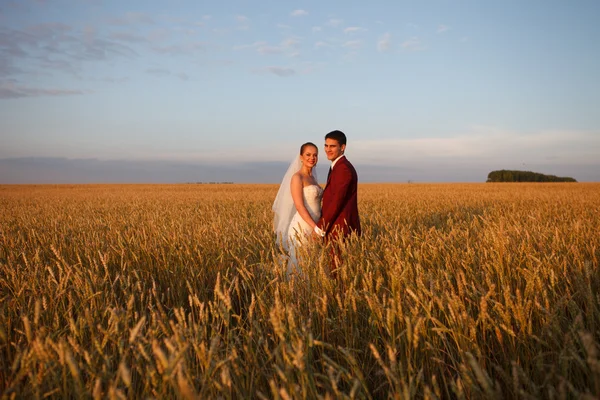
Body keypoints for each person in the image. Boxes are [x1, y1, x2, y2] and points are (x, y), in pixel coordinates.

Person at [272, 142, 324, 277]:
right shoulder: (297, 177)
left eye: (315, 155)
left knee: (313, 264)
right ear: (301, 157)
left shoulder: (313, 178)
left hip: (316, 225)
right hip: (302, 227)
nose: (311, 158)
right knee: (300, 264)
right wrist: (315, 227)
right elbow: (299, 206)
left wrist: (319, 225)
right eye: (308, 154)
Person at [316, 130, 361, 276]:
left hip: (339, 229)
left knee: (338, 273)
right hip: (336, 227)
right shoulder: (337, 166)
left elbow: (336, 202)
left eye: (332, 146)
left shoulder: (343, 169)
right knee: (336, 271)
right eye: (326, 145)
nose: (328, 149)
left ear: (343, 147)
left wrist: (320, 229)